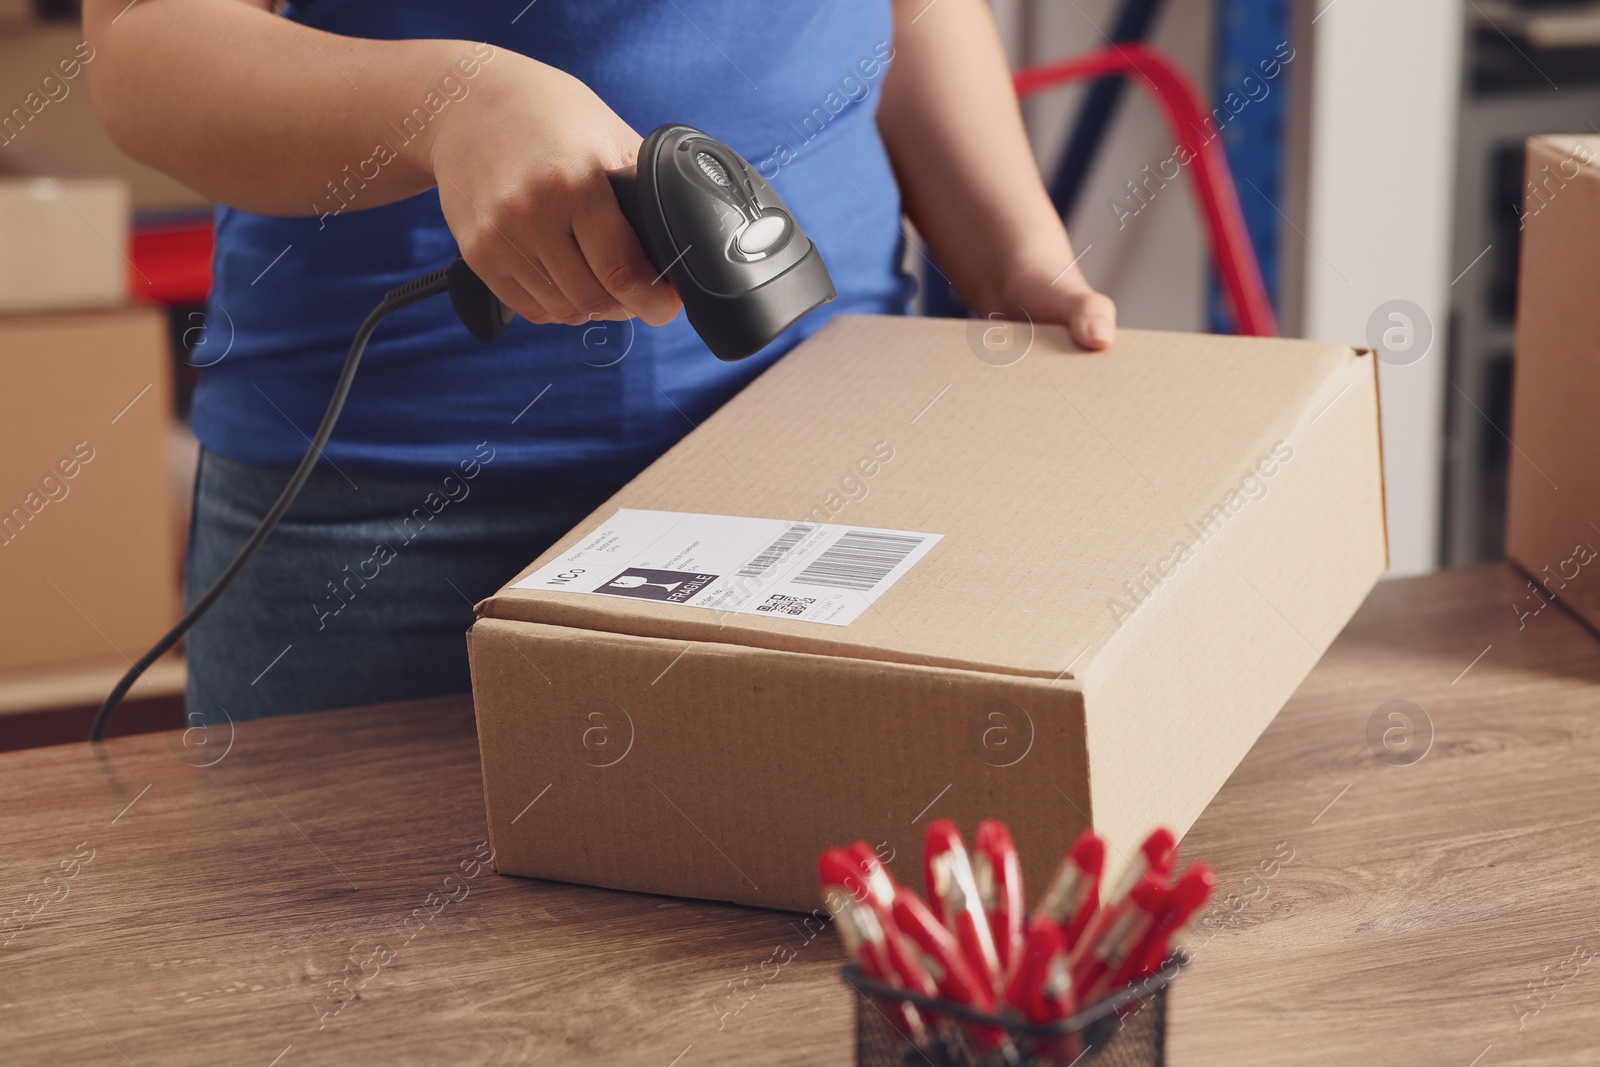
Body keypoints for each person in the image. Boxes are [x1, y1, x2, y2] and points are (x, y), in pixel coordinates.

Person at [84, 0, 1116, 722]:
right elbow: (144, 39)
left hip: (823, 443)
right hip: (384, 494)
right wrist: (450, 104)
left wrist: (1016, 255)